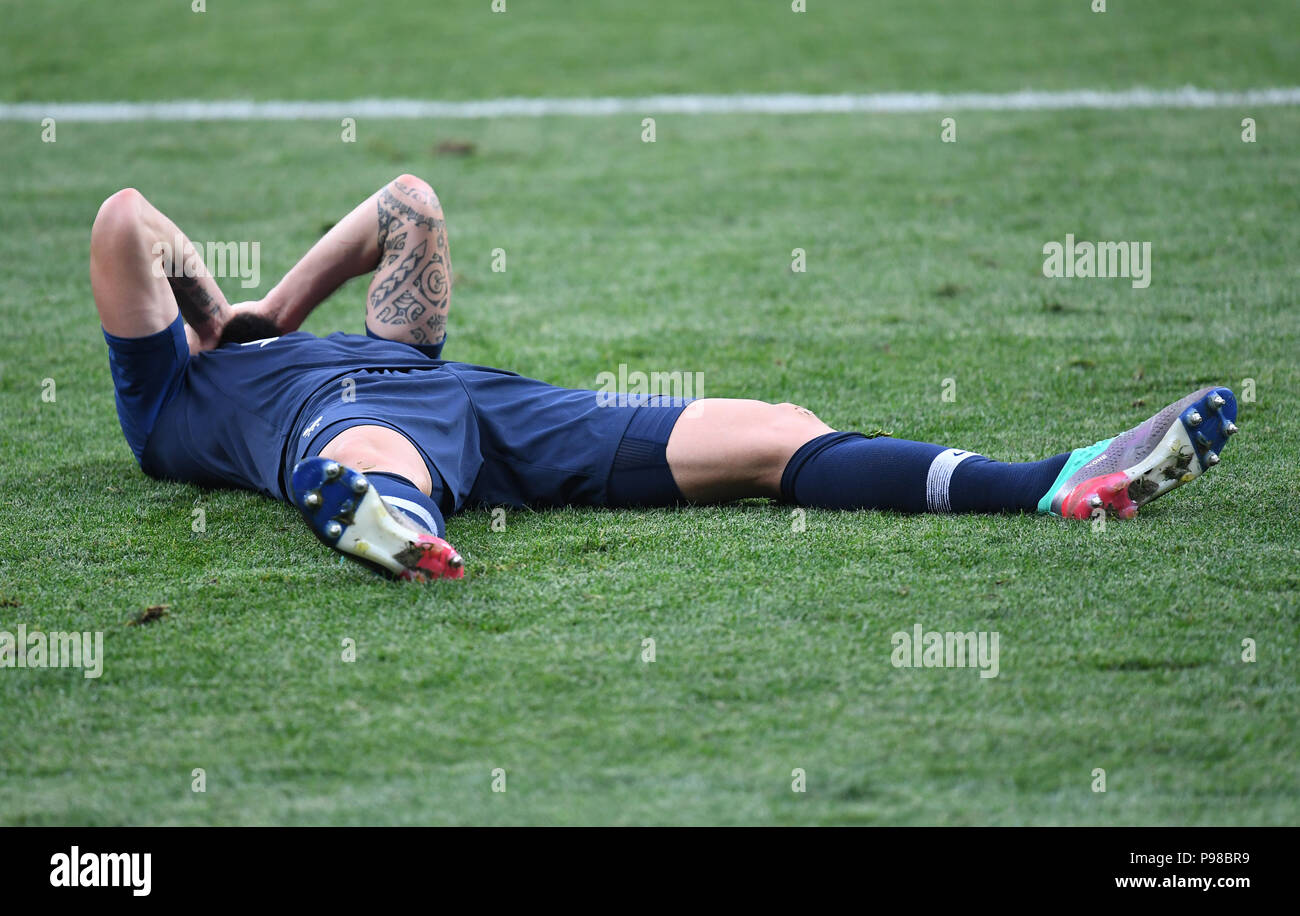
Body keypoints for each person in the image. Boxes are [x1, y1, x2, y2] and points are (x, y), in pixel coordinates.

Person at [91, 174, 1238, 582]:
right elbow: (129, 219)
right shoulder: (170, 406)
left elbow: (408, 206)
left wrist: (269, 312)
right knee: (369, 455)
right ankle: (383, 520)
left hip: (499, 410)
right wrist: (206, 321)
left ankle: (1048, 481)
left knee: (774, 433)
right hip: (340, 429)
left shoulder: (298, 338)